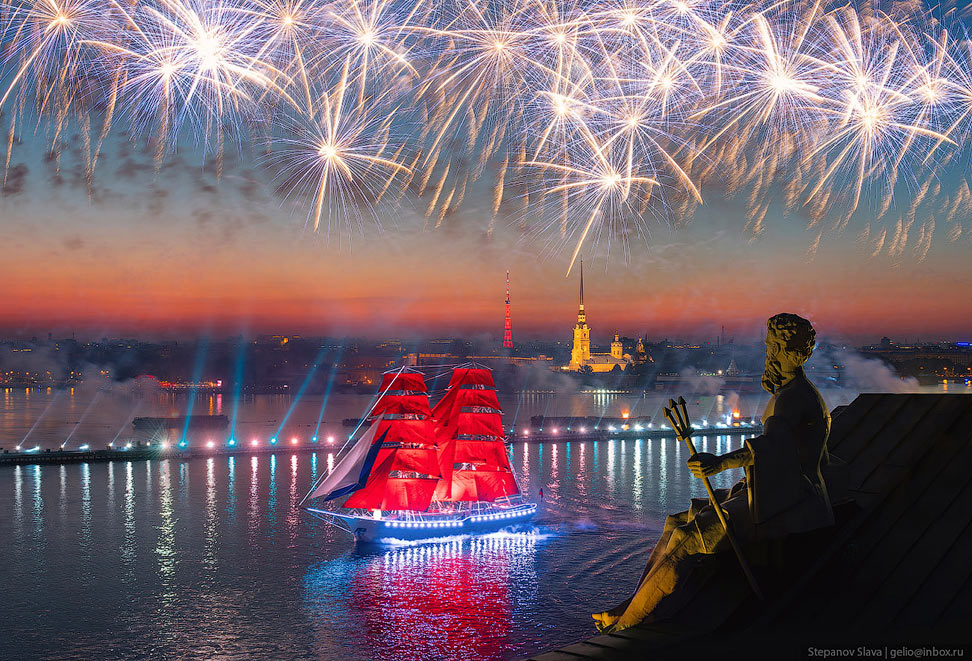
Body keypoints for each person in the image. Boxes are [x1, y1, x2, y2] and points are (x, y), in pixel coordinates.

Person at [592, 313, 836, 632]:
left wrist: (718, 463)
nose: (769, 355)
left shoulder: (793, 399)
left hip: (792, 503)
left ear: (792, 352)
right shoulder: (794, 393)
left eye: (774, 348)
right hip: (782, 491)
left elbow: (770, 447)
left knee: (686, 536)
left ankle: (627, 625)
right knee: (676, 520)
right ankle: (635, 602)